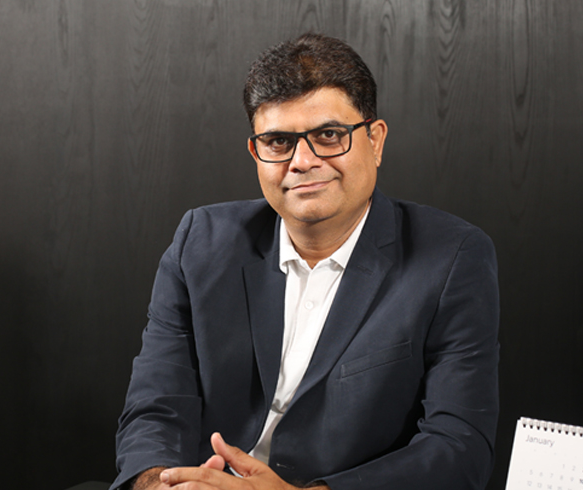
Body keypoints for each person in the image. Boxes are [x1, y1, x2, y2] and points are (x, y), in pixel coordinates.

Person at [112, 33, 499, 490]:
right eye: (278, 141)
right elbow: (156, 405)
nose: (302, 161)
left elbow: (459, 446)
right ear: (256, 152)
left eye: (329, 136)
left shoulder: (452, 258)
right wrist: (160, 484)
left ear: (375, 140)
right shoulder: (200, 242)